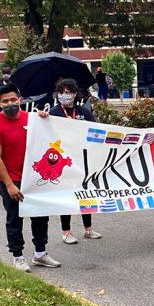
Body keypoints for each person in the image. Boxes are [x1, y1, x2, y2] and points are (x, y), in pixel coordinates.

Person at [0, 83, 59, 271]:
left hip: (34, 179)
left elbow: (50, 137)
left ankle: (40, 253)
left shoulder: (33, 119)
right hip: (11, 180)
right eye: (5, 101)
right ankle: (17, 256)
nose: (10, 104)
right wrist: (9, 184)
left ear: (20, 100)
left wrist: (45, 119)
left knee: (41, 217)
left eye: (12, 100)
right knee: (15, 218)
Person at [50, 79, 102, 243]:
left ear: (75, 94)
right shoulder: (54, 112)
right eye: (63, 92)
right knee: (66, 196)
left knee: (85, 194)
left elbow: (96, 130)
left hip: (82, 159)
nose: (66, 95)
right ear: (58, 94)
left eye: (69, 92)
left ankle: (88, 229)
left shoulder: (83, 112)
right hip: (63, 161)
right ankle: (66, 232)